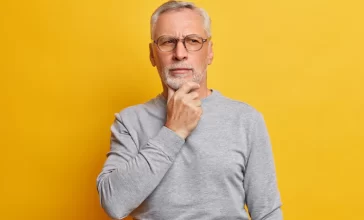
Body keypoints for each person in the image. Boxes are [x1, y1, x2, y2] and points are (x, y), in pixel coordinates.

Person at [96, 1, 283, 219]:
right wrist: (173, 131)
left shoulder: (246, 120)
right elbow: (113, 203)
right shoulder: (129, 122)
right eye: (167, 42)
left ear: (210, 52)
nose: (180, 53)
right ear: (152, 54)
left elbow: (267, 211)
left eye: (192, 41)